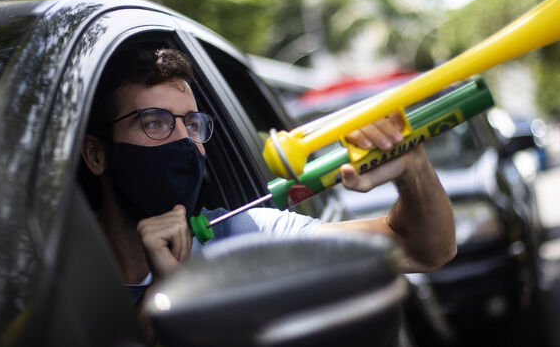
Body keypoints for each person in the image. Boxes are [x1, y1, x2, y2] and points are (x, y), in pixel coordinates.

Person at [79, 43, 456, 306]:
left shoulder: (241, 236)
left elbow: (421, 249)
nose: (184, 142)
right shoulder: (59, 273)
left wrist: (412, 168)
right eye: (154, 123)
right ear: (96, 154)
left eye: (192, 125)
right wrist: (163, 289)